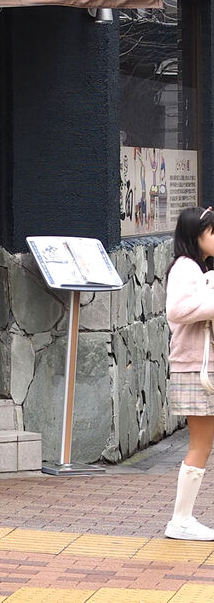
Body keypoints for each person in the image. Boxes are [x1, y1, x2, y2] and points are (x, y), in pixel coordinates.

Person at [165, 205, 214, 540]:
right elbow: (178, 309)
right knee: (201, 443)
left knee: (203, 443)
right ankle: (180, 521)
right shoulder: (185, 267)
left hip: (199, 367)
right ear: (195, 236)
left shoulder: (197, 267)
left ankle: (182, 520)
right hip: (194, 369)